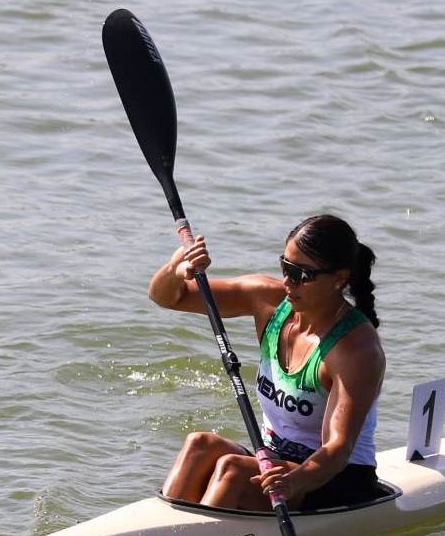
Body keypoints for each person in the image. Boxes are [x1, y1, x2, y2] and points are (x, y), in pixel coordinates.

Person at [151, 214, 387, 512]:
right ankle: (170, 529)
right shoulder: (268, 300)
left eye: (302, 274)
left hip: (337, 477)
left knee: (233, 470)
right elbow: (168, 298)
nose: (288, 281)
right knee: (199, 445)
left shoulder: (355, 349)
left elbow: (337, 450)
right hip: (275, 459)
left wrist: (294, 482)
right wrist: (176, 269)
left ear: (339, 278)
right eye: (285, 267)